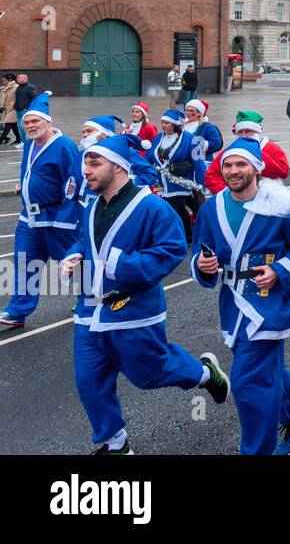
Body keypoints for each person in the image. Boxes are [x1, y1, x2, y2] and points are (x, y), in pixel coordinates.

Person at [61, 134, 230, 454]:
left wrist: (121, 265)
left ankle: (206, 374)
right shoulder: (92, 206)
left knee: (149, 374)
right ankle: (115, 442)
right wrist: (74, 255)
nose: (86, 170)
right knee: (89, 382)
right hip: (89, 309)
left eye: (94, 164)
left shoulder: (152, 207)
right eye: (85, 163)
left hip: (133, 309)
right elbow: (84, 242)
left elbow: (172, 250)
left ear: (119, 167)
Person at [191, 138, 290, 454]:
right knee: (268, 369)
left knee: (249, 383)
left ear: (256, 168)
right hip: (232, 302)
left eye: (241, 164)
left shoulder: (280, 204)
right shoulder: (212, 207)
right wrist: (203, 263)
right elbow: (200, 248)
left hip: (268, 302)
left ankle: (256, 450)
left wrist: (281, 269)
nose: (233, 171)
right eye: (228, 164)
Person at [0, 92, 83, 330]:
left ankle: (90, 297)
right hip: (29, 217)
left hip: (55, 218)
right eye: (26, 122)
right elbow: (29, 169)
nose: (30, 126)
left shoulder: (64, 146)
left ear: (48, 121)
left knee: (71, 261)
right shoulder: (29, 143)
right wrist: (23, 184)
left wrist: (67, 217)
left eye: (35, 121)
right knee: (24, 261)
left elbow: (74, 181)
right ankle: (18, 310)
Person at [146, 109, 207, 242]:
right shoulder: (159, 138)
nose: (163, 125)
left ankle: (164, 238)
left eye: (167, 123)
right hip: (162, 183)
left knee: (167, 211)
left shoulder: (192, 139)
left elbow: (198, 163)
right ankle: (188, 235)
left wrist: (202, 183)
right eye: (162, 122)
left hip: (180, 183)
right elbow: (149, 157)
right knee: (180, 211)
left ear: (175, 124)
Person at [204, 111, 290, 194]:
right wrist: (229, 193)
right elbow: (211, 176)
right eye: (240, 132)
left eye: (248, 131)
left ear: (257, 132)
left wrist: (255, 153)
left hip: (268, 198)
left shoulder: (272, 148)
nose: (244, 135)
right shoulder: (229, 151)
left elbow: (283, 172)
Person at [12, 73, 36, 145]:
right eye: (17, 77)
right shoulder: (19, 87)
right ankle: (23, 142)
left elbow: (34, 99)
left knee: (23, 127)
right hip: (18, 111)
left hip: (25, 111)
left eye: (19, 77)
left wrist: (27, 109)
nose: (17, 79)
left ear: (25, 79)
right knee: (20, 128)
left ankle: (30, 142)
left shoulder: (31, 87)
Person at [0, 74, 17, 145]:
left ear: (9, 79)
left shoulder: (16, 87)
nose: (2, 82)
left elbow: (16, 98)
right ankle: (19, 139)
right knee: (14, 125)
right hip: (6, 108)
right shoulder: (5, 88)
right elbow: (3, 98)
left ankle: (1, 140)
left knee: (8, 123)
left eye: (4, 81)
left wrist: (10, 106)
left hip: (12, 109)